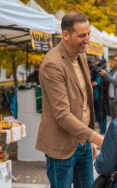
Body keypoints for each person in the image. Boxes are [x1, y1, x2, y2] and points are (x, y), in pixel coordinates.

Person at [36, 11, 104, 188]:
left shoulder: (80, 55)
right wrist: (96, 137)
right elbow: (62, 114)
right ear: (65, 35)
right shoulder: (53, 63)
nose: (88, 40)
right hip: (61, 147)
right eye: (82, 35)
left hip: (83, 143)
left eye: (88, 34)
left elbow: (85, 104)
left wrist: (89, 141)